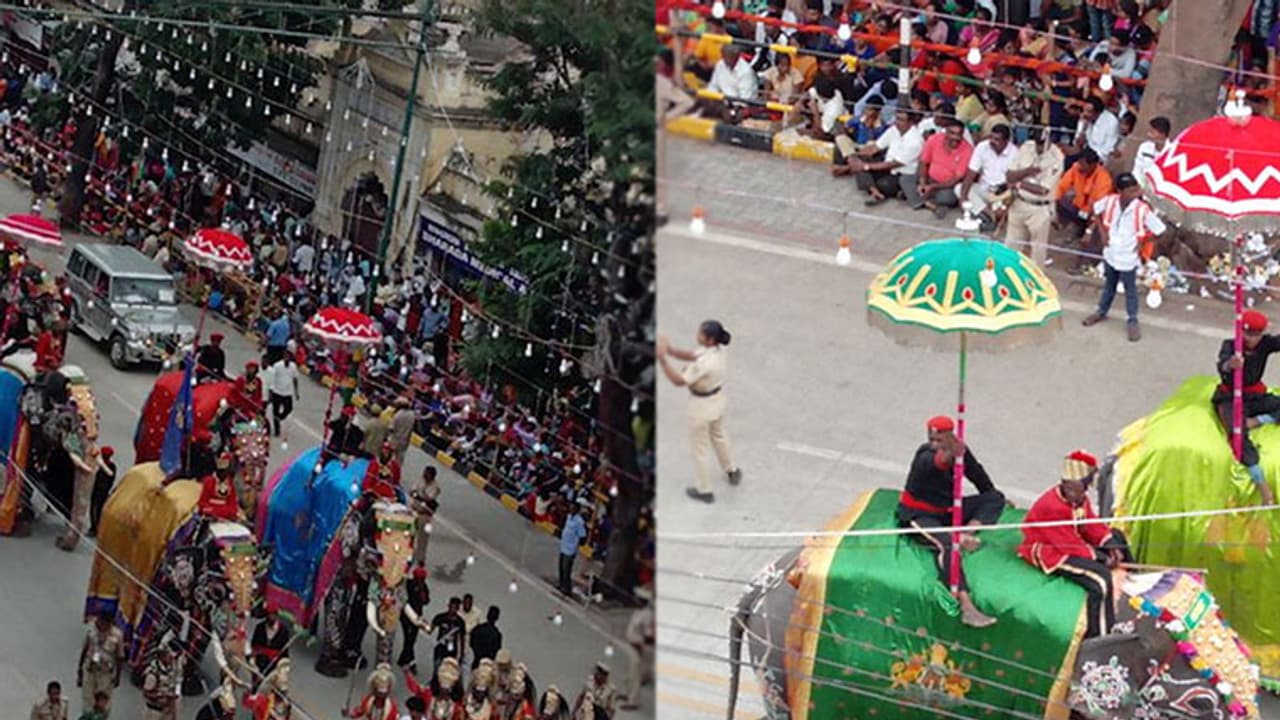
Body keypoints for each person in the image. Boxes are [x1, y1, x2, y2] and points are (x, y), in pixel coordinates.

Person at [897, 415, 1005, 628]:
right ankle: (966, 604)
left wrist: (987, 496)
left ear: (951, 437)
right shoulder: (925, 456)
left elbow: (979, 478)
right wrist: (950, 453)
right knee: (948, 544)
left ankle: (967, 533)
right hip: (920, 515)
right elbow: (938, 462)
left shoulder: (960, 452)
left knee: (995, 498)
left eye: (940, 441)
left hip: (947, 512)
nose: (935, 445)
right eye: (932, 440)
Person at [1017, 451, 1134, 638]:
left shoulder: (1080, 498)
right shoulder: (1052, 506)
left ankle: (1134, 591)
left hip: (1071, 541)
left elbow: (1089, 523)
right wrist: (1100, 558)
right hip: (1050, 550)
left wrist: (1109, 544)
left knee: (1118, 538)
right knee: (1100, 579)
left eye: (1077, 489)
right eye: (1069, 488)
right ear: (1063, 484)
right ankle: (1100, 634)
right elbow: (1067, 544)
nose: (1073, 493)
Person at [656, 321, 742, 503]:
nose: (698, 336)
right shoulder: (717, 350)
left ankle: (704, 489)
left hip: (701, 405)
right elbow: (691, 355)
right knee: (719, 435)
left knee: (700, 449)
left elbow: (679, 380)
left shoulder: (704, 364)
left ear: (710, 339)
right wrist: (670, 350)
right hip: (717, 399)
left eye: (701, 334)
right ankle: (731, 469)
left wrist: (663, 360)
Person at [1080, 172, 1167, 342]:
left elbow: (1160, 230)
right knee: (1109, 285)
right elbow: (1095, 210)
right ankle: (1101, 312)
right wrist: (1101, 232)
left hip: (1128, 256)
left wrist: (1144, 242)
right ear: (1120, 191)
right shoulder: (1111, 201)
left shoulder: (1142, 209)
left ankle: (1132, 320)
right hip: (1111, 253)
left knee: (1130, 290)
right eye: (1130, 191)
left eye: (1135, 190)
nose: (1134, 194)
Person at [1212, 310, 1280, 505]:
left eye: (1256, 335)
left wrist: (1259, 420)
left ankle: (1257, 421)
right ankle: (1262, 486)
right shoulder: (1230, 345)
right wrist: (1231, 364)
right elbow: (1222, 365)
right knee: (1238, 436)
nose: (1252, 339)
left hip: (1254, 395)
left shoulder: (1265, 344)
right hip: (1230, 397)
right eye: (1248, 334)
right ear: (1240, 331)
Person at [1004, 126, 1065, 265]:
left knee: (1037, 253)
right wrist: (1027, 171)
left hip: (1040, 208)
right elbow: (1009, 176)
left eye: (1042, 143)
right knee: (1011, 248)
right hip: (1019, 203)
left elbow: (1043, 190)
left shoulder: (1057, 157)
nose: (1039, 146)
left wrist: (1019, 183)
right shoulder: (1026, 147)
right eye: (1037, 142)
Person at [839, 109, 925, 207]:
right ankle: (874, 190)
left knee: (883, 183)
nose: (897, 122)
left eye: (901, 120)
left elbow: (893, 164)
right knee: (859, 161)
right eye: (897, 118)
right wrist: (854, 157)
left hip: (900, 173)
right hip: (886, 165)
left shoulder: (915, 141)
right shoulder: (894, 130)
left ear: (910, 122)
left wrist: (865, 167)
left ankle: (874, 188)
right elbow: (875, 148)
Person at [959, 124, 1016, 231]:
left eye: (997, 139)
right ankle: (988, 213)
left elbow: (1014, 185)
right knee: (959, 188)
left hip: (1002, 194)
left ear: (1006, 141)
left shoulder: (1014, 153)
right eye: (991, 137)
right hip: (984, 189)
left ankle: (982, 215)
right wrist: (963, 198)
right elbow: (971, 173)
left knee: (1005, 208)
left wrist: (1004, 206)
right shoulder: (982, 147)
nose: (992, 141)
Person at [912, 118, 972, 218]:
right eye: (952, 133)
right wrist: (923, 183)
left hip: (946, 186)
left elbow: (955, 179)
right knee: (906, 178)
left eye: (959, 134)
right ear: (946, 132)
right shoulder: (934, 139)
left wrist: (932, 187)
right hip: (928, 179)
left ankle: (918, 199)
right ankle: (930, 204)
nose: (956, 137)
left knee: (948, 198)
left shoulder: (967, 150)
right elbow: (923, 162)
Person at [1055, 149, 1113, 239]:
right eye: (1079, 163)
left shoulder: (1104, 180)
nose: (1080, 166)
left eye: (1083, 165)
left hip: (1094, 213)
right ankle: (1075, 224)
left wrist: (1089, 230)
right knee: (1057, 199)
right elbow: (1061, 186)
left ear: (1093, 165)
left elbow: (1100, 207)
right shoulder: (1076, 168)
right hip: (1078, 206)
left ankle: (1085, 229)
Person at [78, 611, 123, 717]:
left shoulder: (117, 636)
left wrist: (117, 677)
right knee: (88, 701)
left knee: (103, 703)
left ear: (109, 623)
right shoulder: (91, 630)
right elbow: (85, 650)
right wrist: (79, 671)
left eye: (101, 621)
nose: (98, 623)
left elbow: (120, 657)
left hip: (106, 674)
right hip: (90, 670)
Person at [619, 589, 654, 711]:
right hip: (631, 645)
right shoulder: (638, 612)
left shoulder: (647, 615)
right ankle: (627, 693)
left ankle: (633, 700)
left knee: (635, 675)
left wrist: (641, 646)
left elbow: (649, 635)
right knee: (629, 673)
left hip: (638, 648)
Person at [397, 566, 431, 672]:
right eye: (419, 578)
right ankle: (411, 662)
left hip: (417, 616)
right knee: (408, 637)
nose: (421, 581)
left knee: (412, 639)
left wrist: (422, 592)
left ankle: (404, 658)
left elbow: (426, 601)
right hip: (407, 615)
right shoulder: (409, 584)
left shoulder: (424, 587)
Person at [141, 639, 183, 720]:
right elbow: (146, 693)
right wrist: (163, 695)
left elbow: (177, 682)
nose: (172, 659)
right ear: (162, 656)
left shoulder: (173, 666)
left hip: (168, 710)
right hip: (155, 712)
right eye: (169, 657)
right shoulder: (153, 672)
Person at [558, 499, 590, 597]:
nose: (571, 509)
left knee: (566, 568)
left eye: (573, 508)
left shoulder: (579, 521)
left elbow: (582, 535)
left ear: (577, 510)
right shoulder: (568, 517)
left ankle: (566, 588)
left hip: (570, 549)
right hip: (563, 545)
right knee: (561, 567)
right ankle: (561, 584)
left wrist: (576, 544)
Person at [410, 466, 441, 566]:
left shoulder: (435, 487)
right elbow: (412, 491)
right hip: (414, 510)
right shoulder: (420, 480)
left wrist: (420, 494)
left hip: (425, 515)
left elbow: (429, 499)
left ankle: (421, 559)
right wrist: (418, 495)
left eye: (427, 474)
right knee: (409, 534)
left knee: (423, 539)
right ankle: (408, 553)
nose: (424, 475)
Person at [1074, 97, 1121, 162]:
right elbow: (1077, 144)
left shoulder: (1111, 122)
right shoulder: (1084, 118)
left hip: (1099, 158)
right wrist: (1083, 129)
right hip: (1085, 153)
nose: (1085, 114)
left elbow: (1108, 149)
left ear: (1098, 113)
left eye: (1089, 111)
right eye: (1083, 110)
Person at [251, 602, 291, 680]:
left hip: (274, 668)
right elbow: (254, 647)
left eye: (273, 615)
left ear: (277, 615)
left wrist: (281, 671)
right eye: (269, 615)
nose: (271, 617)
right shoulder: (259, 627)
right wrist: (253, 665)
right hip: (259, 665)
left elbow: (285, 655)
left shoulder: (284, 631)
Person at [263, 353, 299, 438]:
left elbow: (295, 378)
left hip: (287, 392)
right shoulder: (277, 365)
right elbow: (272, 377)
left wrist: (296, 392)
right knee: (275, 411)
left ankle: (280, 417)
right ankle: (277, 430)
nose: (287, 359)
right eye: (285, 357)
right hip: (277, 391)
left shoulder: (293, 366)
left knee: (289, 408)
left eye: (288, 357)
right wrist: (270, 390)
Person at [197, 452, 241, 521]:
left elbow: (232, 501)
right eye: (222, 472)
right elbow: (202, 502)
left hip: (226, 515)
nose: (225, 474)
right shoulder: (209, 481)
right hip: (210, 515)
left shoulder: (230, 482)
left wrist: (232, 513)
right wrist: (211, 513)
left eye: (226, 472)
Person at [1132, 116, 1171, 187]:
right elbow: (1137, 169)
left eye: (1152, 132)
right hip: (1141, 187)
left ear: (1162, 134)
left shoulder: (1171, 151)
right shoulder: (1144, 147)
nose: (1148, 134)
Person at [430, 597, 467, 670]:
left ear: (458, 608)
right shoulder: (440, 617)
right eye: (451, 606)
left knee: (449, 672)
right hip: (440, 648)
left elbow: (462, 639)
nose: (452, 609)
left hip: (452, 651)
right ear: (448, 606)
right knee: (437, 669)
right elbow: (430, 629)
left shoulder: (460, 622)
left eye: (455, 607)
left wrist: (462, 654)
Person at [88, 445, 116, 538]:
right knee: (98, 509)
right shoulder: (112, 466)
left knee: (95, 509)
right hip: (102, 490)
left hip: (100, 490)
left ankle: (94, 528)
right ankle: (96, 527)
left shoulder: (101, 465)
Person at [389, 396, 417, 464]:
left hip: (395, 440)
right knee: (399, 460)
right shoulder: (412, 414)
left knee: (389, 458)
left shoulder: (398, 415)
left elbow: (391, 428)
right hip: (405, 441)